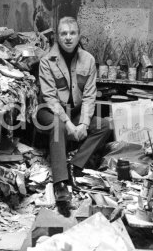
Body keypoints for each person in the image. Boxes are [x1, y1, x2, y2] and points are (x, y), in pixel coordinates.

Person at [35, 16, 112, 213]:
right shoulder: (46, 61)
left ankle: (75, 167)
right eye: (63, 33)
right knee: (58, 125)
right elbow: (50, 98)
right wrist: (69, 125)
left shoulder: (89, 60)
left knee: (104, 125)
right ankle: (60, 184)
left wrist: (84, 124)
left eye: (72, 33)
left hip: (76, 113)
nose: (68, 37)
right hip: (48, 112)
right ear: (58, 37)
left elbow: (89, 96)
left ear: (79, 36)